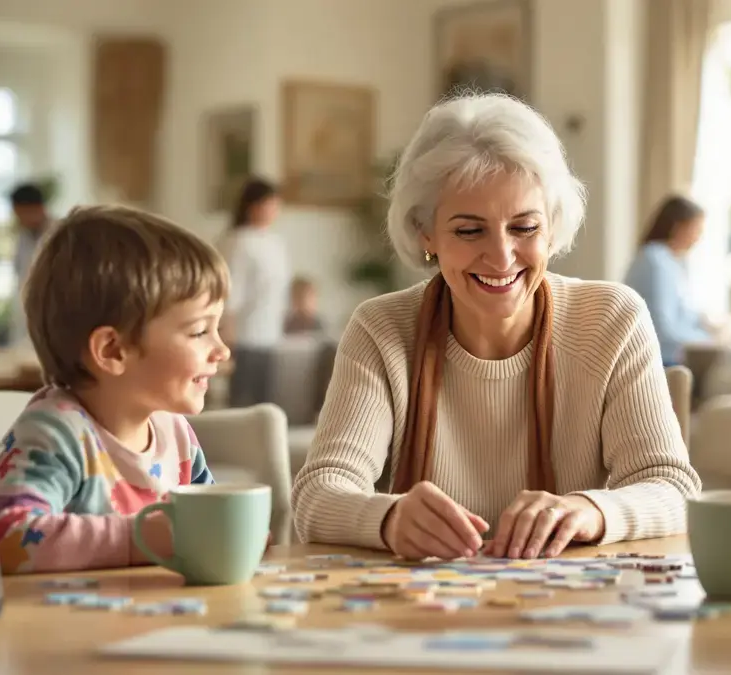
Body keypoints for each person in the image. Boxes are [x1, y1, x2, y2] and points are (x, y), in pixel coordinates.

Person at [291, 93, 701, 561]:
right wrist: (387, 519)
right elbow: (316, 496)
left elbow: (673, 489)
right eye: (469, 231)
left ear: (552, 226)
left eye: (524, 228)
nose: (502, 257)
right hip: (418, 615)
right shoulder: (380, 329)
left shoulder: (612, 319)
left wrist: (588, 510)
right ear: (426, 233)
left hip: (569, 611)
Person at [0, 205, 231, 574]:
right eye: (199, 331)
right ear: (113, 351)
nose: (222, 350)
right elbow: (5, 536)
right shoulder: (56, 434)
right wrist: (139, 539)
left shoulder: (175, 432)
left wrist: (232, 532)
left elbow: (207, 523)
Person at [223, 178, 292, 408]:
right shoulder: (238, 242)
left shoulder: (275, 242)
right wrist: (228, 335)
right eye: (268, 204)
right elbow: (231, 292)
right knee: (243, 402)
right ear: (252, 206)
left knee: (266, 403)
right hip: (245, 336)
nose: (274, 210)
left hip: (270, 334)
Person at [623, 195, 713, 366]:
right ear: (678, 226)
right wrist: (710, 341)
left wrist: (709, 328)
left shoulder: (672, 261)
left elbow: (682, 314)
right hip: (660, 358)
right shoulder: (655, 260)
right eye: (696, 229)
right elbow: (662, 326)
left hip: (670, 354)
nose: (698, 237)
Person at [8, 183, 52, 346]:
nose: (20, 219)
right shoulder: (22, 239)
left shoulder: (60, 234)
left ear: (37, 208)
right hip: (26, 319)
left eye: (22, 213)